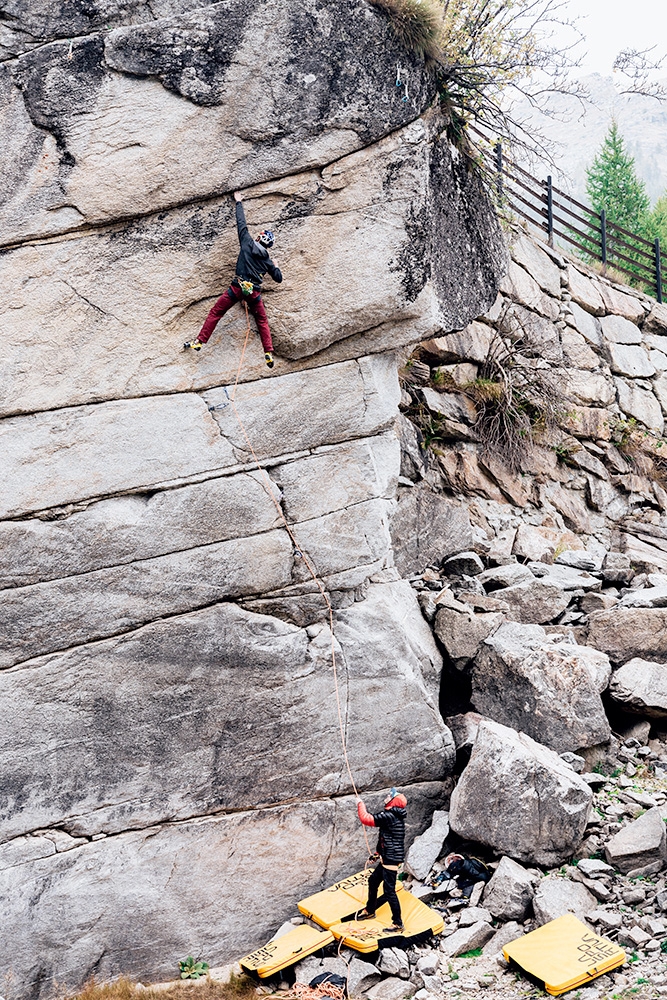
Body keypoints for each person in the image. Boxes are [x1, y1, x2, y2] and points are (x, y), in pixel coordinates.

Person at [184, 192, 283, 367]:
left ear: (258, 237)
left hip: (237, 287)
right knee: (261, 321)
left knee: (216, 313)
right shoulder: (267, 261)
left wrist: (238, 202)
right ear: (269, 246)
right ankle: (268, 352)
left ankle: (199, 341)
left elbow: (241, 223)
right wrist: (275, 266)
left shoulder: (247, 242)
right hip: (254, 293)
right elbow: (278, 278)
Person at [356, 787, 407, 932]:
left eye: (390, 795)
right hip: (388, 857)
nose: (387, 796)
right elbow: (387, 838)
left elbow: (366, 819)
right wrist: (378, 854)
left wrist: (360, 804)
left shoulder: (390, 816)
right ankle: (370, 910)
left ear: (393, 801)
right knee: (373, 880)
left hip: (391, 859)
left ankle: (397, 923)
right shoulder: (392, 815)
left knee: (389, 890)